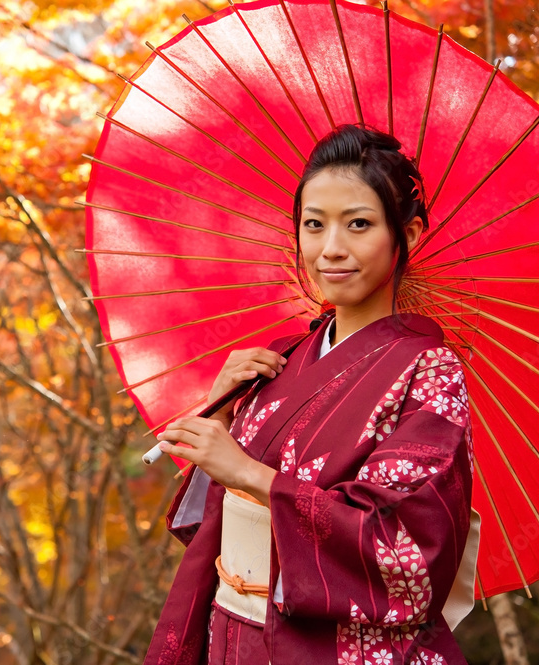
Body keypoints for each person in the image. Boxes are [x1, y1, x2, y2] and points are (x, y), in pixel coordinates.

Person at [144, 124, 477, 664]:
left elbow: (405, 551)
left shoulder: (429, 372)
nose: (331, 250)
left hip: (333, 649)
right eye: (314, 225)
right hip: (232, 636)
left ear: (409, 234)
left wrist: (251, 474)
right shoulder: (281, 357)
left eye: (360, 225)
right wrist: (224, 414)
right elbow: (216, 521)